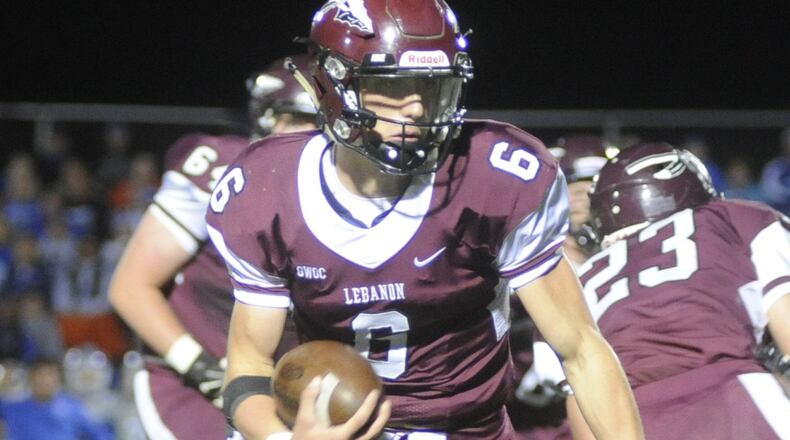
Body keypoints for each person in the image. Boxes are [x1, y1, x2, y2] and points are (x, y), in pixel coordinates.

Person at [207, 2, 643, 439]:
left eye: (433, 86)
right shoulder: (265, 188)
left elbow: (582, 350)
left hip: (463, 427)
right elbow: (249, 366)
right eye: (394, 86)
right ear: (332, 84)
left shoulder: (494, 177)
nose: (417, 106)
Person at [108, 55, 317, 440]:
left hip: (294, 387)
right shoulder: (221, 169)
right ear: (273, 120)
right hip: (198, 386)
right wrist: (202, 368)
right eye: (310, 121)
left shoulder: (356, 191)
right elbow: (131, 287)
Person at [567, 142, 790, 439]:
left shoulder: (584, 276)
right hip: (732, 394)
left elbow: (581, 397)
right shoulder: (737, 217)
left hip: (633, 417)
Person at [509, 134, 614, 439]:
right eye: (573, 187)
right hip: (523, 421)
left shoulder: (623, 257)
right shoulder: (519, 258)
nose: (582, 197)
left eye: (591, 188)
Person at [0, 358, 113, 440]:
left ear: (58, 380)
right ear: (31, 379)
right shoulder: (14, 409)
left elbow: (100, 434)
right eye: (40, 376)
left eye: (49, 376)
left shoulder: (72, 407)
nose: (44, 381)